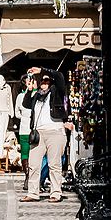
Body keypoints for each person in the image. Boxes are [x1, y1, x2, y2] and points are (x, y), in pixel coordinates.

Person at [21, 71, 73, 203]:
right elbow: (25, 104)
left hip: (55, 131)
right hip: (38, 133)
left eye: (46, 81)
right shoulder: (37, 95)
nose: (44, 83)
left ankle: (55, 193)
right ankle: (33, 193)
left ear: (51, 82)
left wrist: (42, 70)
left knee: (54, 164)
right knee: (33, 164)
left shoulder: (57, 92)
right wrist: (29, 89)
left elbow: (60, 76)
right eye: (42, 81)